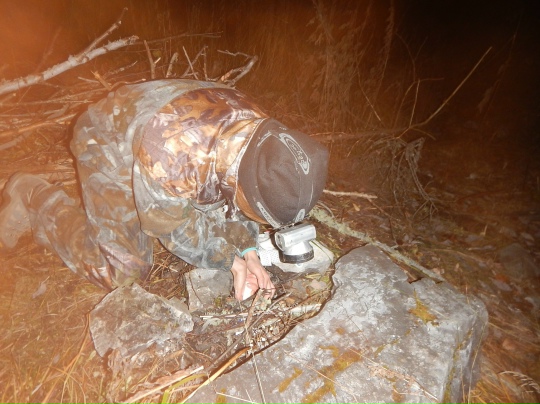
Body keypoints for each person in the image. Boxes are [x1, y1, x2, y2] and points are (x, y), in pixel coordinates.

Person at [0, 80, 329, 301]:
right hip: (106, 142)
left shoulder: (266, 140)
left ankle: (105, 206)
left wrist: (249, 251)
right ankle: (34, 195)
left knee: (201, 204)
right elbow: (170, 227)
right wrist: (229, 260)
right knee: (124, 273)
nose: (255, 220)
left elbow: (233, 200)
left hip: (155, 140)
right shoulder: (173, 153)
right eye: (256, 213)